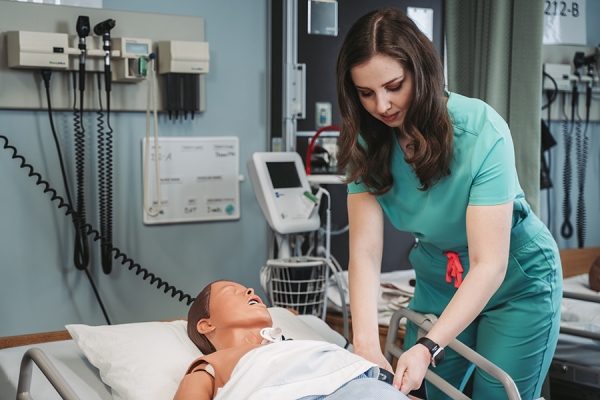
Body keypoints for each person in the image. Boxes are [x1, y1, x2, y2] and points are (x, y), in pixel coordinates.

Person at [335, 7, 562, 400]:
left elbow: (490, 263)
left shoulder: (480, 131)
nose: (382, 105)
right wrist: (366, 342)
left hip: (513, 277)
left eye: (394, 86)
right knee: (428, 391)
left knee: (495, 393)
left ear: (420, 72)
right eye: (366, 93)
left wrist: (429, 346)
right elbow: (366, 252)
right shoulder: (366, 143)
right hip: (441, 275)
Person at [173, 280, 412, 400]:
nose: (249, 291)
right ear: (206, 325)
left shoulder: (298, 348)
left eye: (246, 289)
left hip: (363, 386)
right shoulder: (210, 366)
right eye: (231, 292)